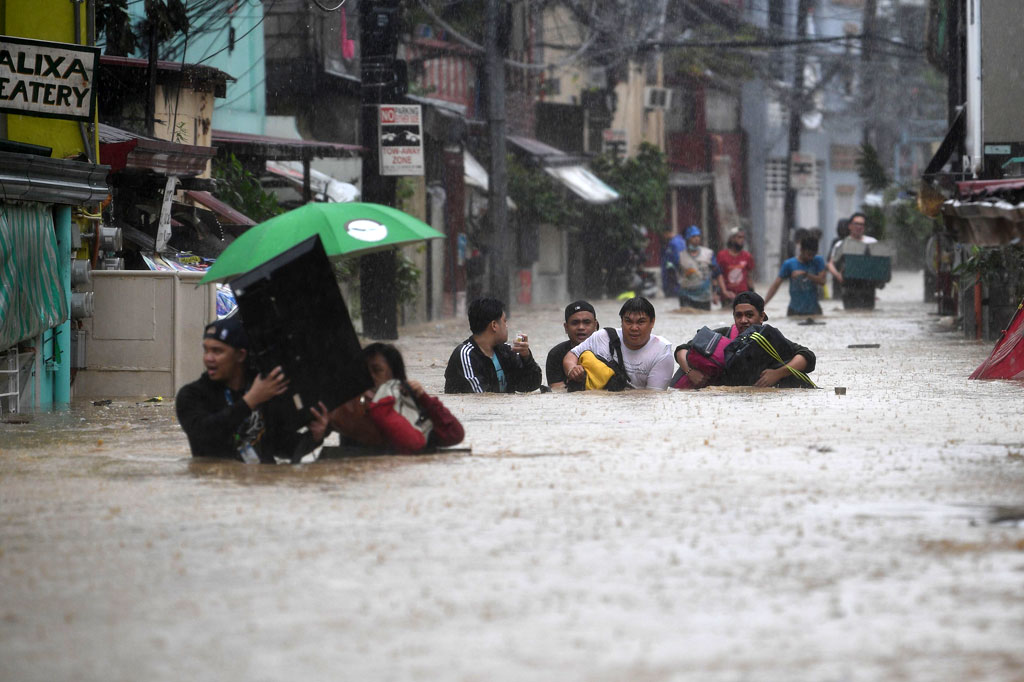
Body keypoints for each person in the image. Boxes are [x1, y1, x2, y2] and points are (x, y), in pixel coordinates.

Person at [175, 317, 330, 462]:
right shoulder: (191, 395)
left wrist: (314, 437)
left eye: (217, 351)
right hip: (218, 485)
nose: (208, 358)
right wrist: (250, 401)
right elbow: (204, 435)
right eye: (206, 350)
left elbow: (282, 447)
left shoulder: (266, 390)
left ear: (241, 355)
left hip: (261, 486)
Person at [674, 291, 815, 389]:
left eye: (749, 315)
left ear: (761, 316)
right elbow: (682, 349)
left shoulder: (770, 339)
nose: (743, 320)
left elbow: (807, 356)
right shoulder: (724, 336)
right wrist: (690, 372)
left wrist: (777, 374)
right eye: (738, 315)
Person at [563, 296, 674, 390]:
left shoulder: (662, 352)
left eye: (641, 322)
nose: (634, 328)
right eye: (628, 321)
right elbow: (572, 355)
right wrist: (572, 369)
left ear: (652, 322)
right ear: (621, 321)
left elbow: (652, 396)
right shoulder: (603, 337)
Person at [444, 297, 542, 394]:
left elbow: (531, 384)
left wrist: (526, 357)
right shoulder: (465, 355)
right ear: (494, 325)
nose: (506, 326)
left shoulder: (505, 350)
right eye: (504, 321)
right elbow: (480, 397)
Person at [763, 236, 827, 316]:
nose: (811, 258)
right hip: (794, 311)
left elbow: (822, 281)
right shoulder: (789, 264)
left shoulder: (818, 260)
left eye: (813, 255)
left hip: (814, 309)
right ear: (801, 250)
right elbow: (776, 285)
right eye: (809, 254)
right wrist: (763, 305)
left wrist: (805, 274)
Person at [827, 211, 879, 309]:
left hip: (868, 286)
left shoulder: (872, 242)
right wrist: (838, 276)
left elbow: (880, 263)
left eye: (862, 224)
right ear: (850, 226)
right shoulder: (841, 244)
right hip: (849, 286)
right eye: (856, 224)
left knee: (868, 313)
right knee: (850, 312)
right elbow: (830, 263)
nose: (859, 227)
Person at [545, 300, 599, 389]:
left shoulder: (608, 348)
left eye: (586, 322)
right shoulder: (556, 354)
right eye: (575, 323)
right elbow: (557, 390)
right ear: (566, 328)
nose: (581, 327)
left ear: (595, 325)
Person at [677, 225, 724, 310]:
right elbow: (676, 274)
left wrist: (716, 293)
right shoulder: (680, 256)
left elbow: (716, 274)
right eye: (693, 236)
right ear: (687, 239)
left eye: (698, 236)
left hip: (704, 296)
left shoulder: (708, 254)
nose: (696, 239)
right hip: (686, 295)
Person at [716, 226, 756, 304]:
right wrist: (719, 293)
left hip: (743, 296)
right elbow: (718, 276)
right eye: (739, 237)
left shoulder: (747, 256)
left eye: (743, 238)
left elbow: (749, 277)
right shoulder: (721, 255)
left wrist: (753, 295)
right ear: (732, 238)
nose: (742, 240)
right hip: (727, 296)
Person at [660, 226, 686, 298]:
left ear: (667, 233)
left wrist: (670, 269)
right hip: (678, 277)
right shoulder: (681, 240)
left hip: (672, 279)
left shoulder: (672, 244)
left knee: (673, 297)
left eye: (664, 235)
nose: (663, 237)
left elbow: (674, 260)